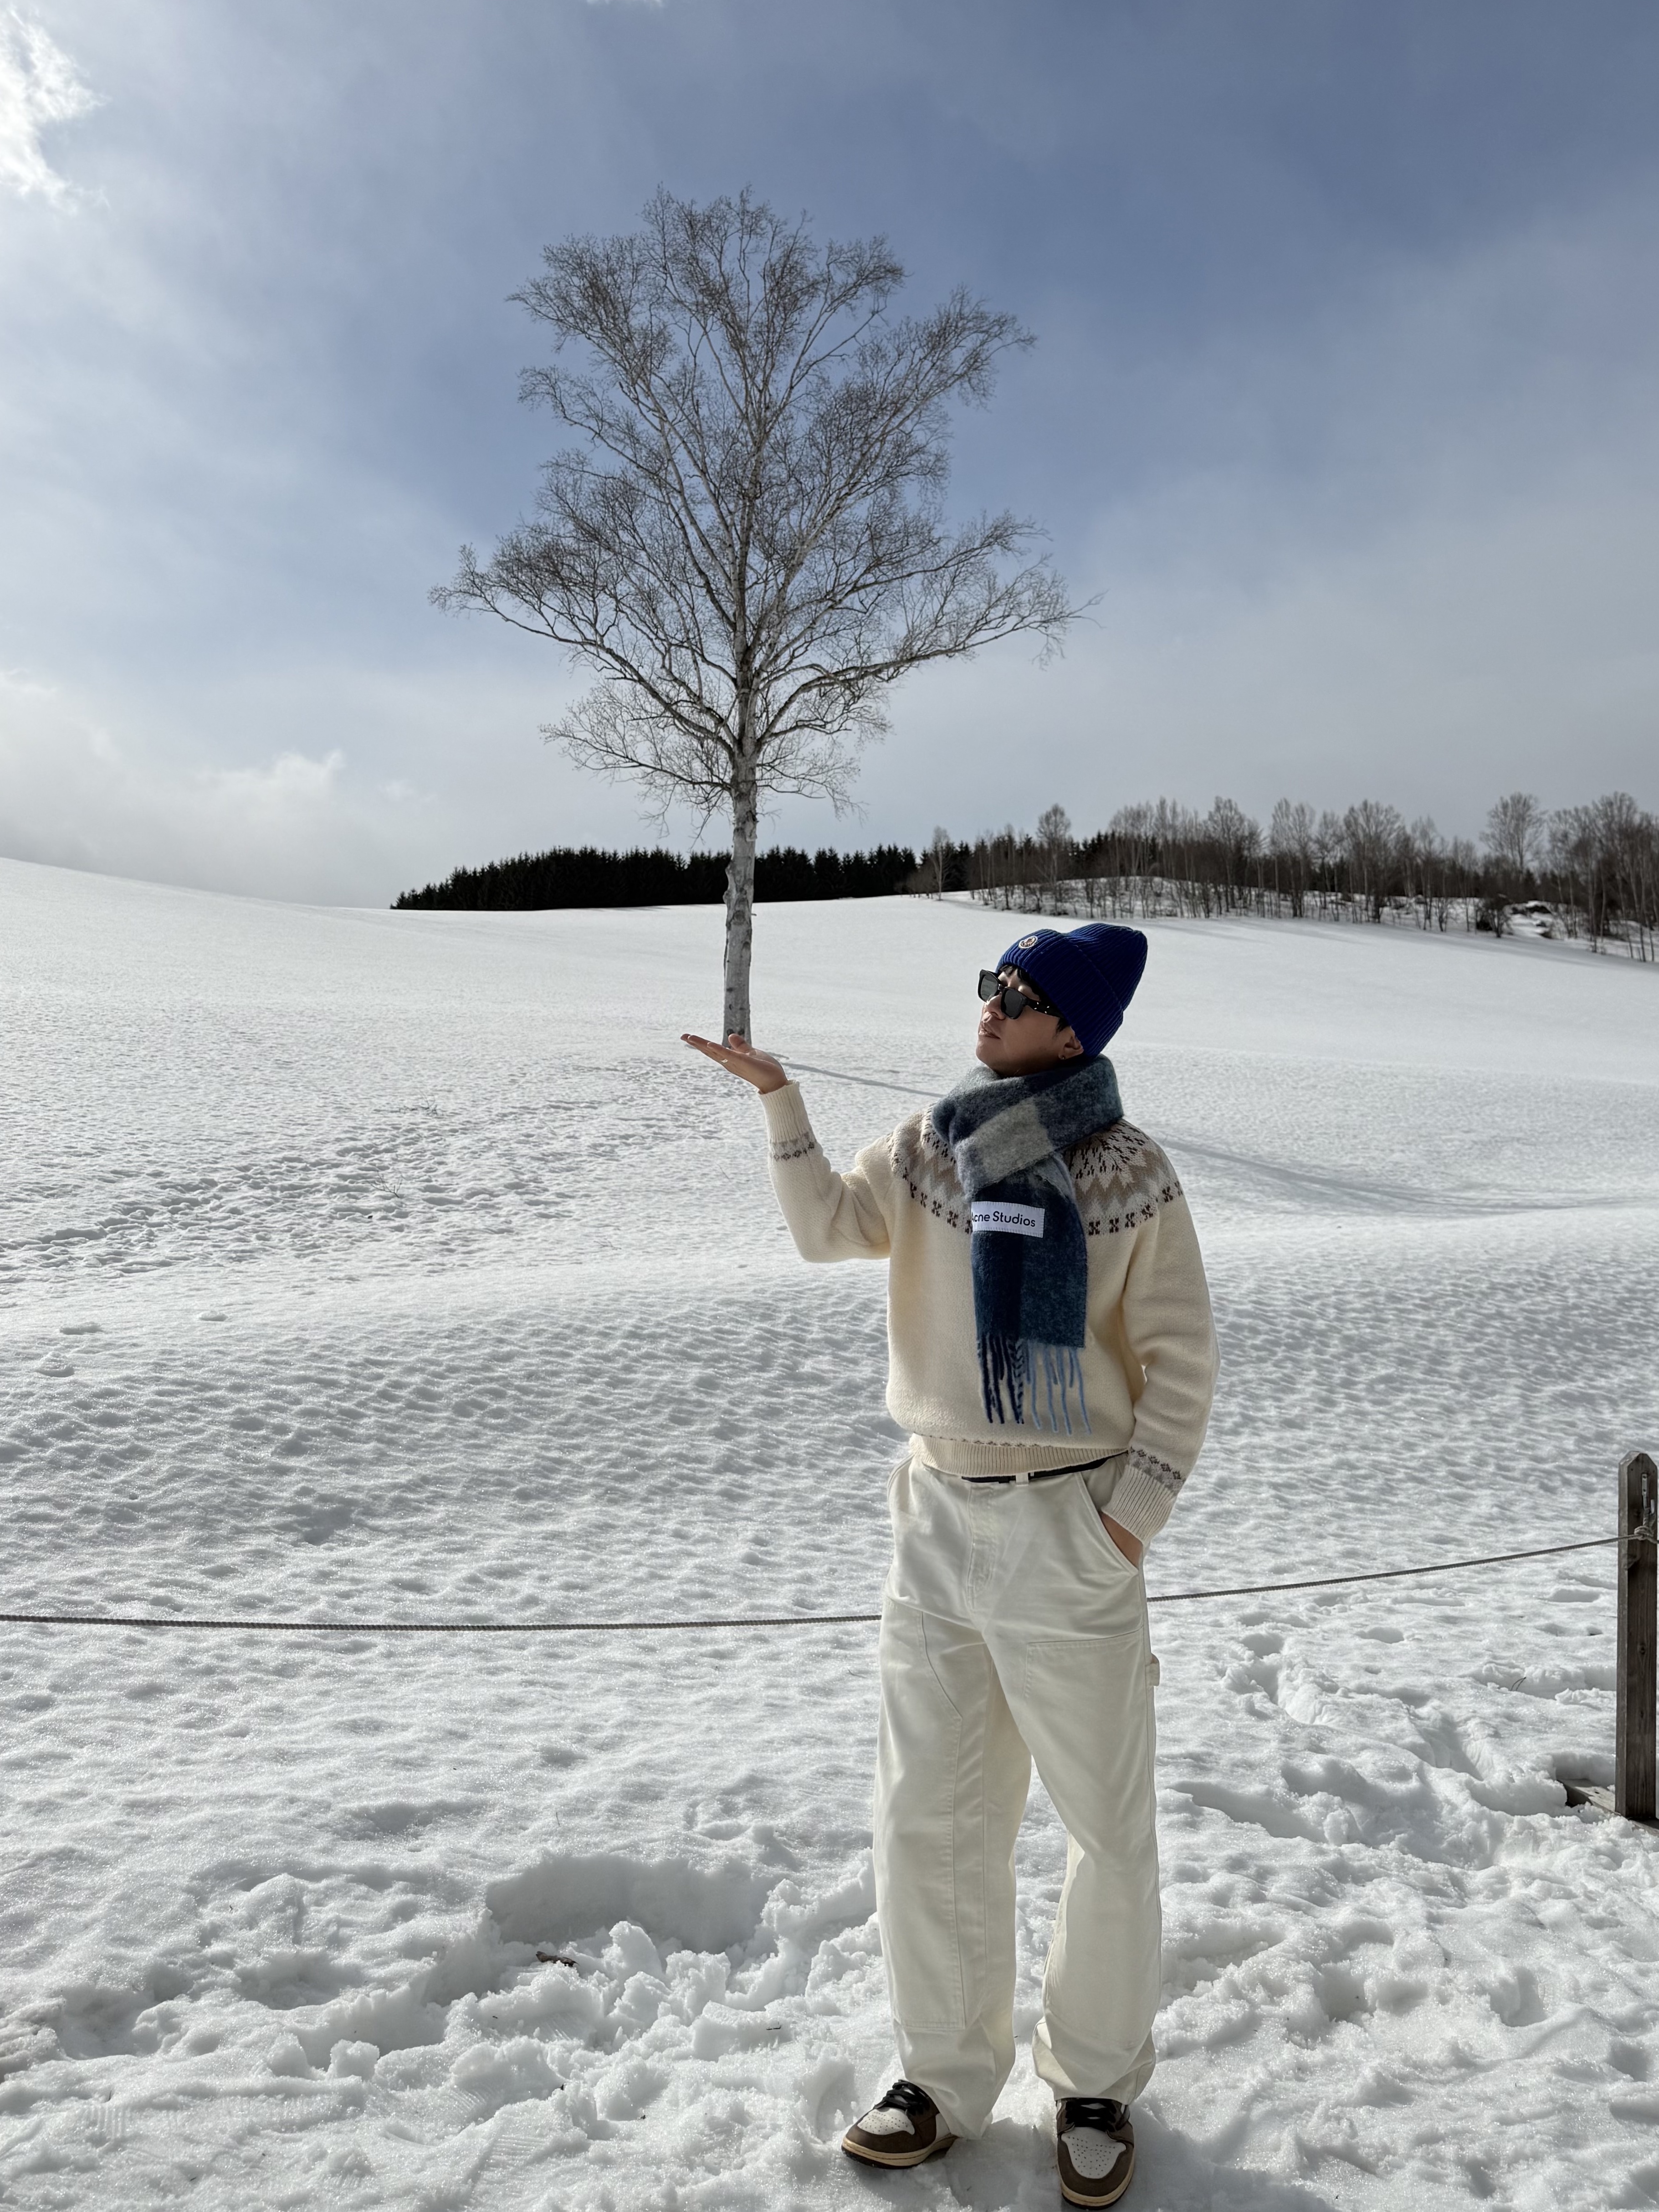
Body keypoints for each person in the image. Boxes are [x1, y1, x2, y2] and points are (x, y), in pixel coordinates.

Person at [683, 921, 1217, 2209]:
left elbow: (1180, 1359)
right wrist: (782, 1105)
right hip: (934, 1521)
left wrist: (1122, 1520)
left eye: (1019, 994)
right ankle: (941, 2073)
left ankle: (1090, 2080)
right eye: (988, 981)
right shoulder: (932, 1143)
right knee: (929, 1817)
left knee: (1104, 1826)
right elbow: (826, 1229)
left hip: (1065, 1526)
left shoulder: (1127, 1171)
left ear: (1073, 1030)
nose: (989, 1004)